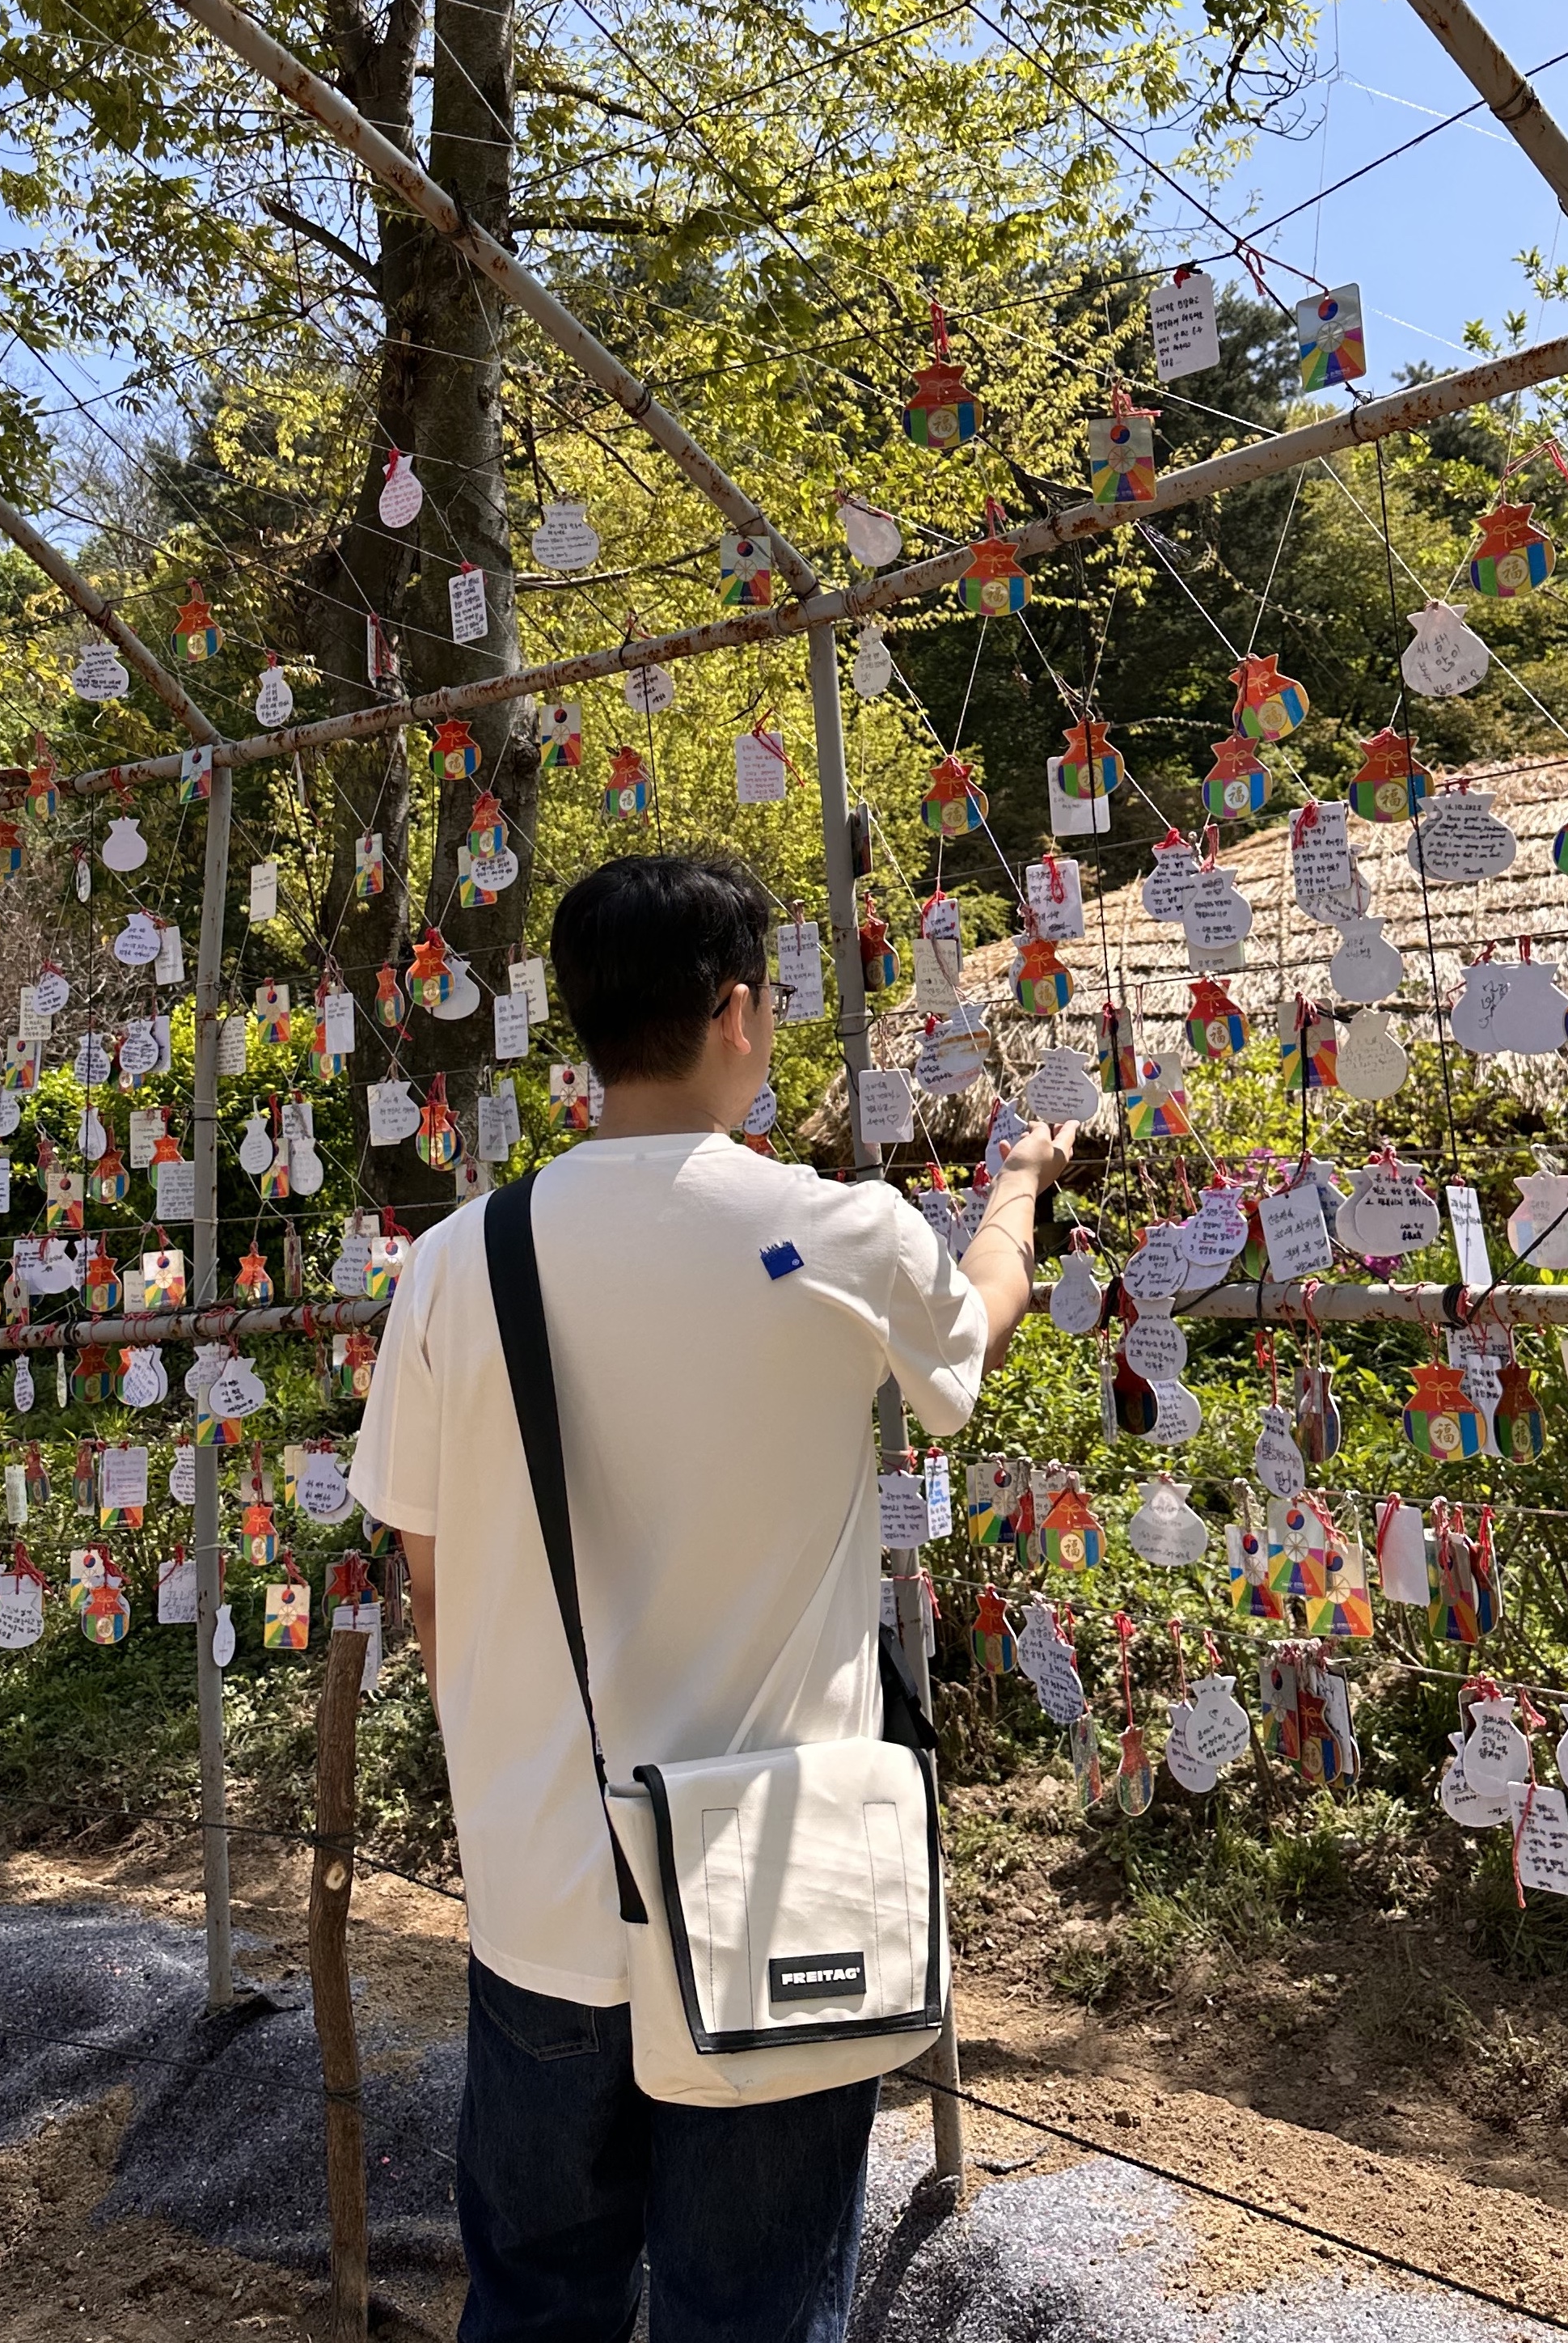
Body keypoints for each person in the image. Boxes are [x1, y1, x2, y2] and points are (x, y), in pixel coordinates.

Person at [349, 852, 1075, 2343]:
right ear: (740, 1011)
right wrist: (1015, 1189)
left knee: (535, 2297)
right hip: (772, 1890)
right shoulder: (841, 1232)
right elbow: (971, 1336)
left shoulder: (453, 1266)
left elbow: (429, 1585)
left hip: (541, 1890)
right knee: (748, 2311)